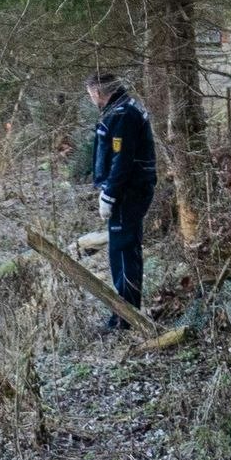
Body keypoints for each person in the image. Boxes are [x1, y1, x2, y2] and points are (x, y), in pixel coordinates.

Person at [86, 72, 158, 318]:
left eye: (90, 94)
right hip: (127, 190)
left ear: (97, 92)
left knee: (123, 251)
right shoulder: (119, 109)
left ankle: (127, 317)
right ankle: (125, 313)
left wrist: (110, 194)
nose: (90, 99)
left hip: (129, 192)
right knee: (122, 250)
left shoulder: (123, 114)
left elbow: (122, 160)